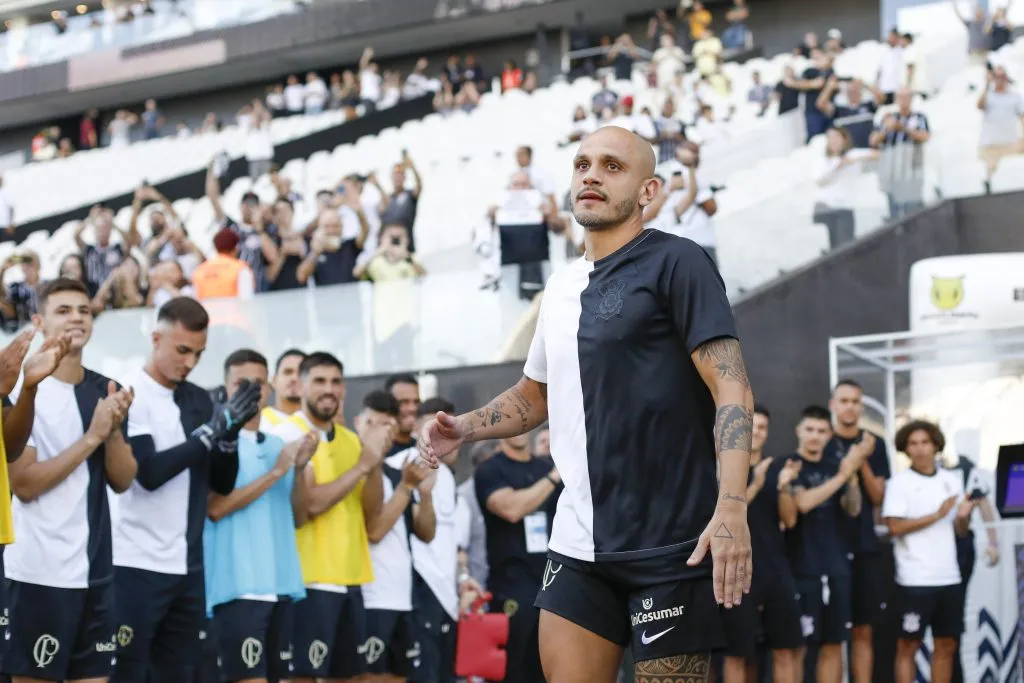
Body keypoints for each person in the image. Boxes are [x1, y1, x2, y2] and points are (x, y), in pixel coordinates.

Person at [419, 126, 755, 683]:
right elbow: (536, 396)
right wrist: (467, 427)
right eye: (581, 165)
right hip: (578, 545)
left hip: (673, 544)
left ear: (648, 192)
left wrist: (733, 505)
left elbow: (733, 387)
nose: (591, 175)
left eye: (611, 166)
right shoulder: (560, 288)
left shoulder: (679, 261)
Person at [112, 297, 262, 683]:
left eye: (198, 353)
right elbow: (148, 473)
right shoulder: (130, 393)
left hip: (188, 567)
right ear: (156, 337)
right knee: (127, 674)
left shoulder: (198, 398)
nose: (190, 362)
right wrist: (213, 431)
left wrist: (227, 438)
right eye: (182, 351)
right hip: (134, 564)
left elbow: (222, 483)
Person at [1, 279, 135, 683]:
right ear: (39, 321)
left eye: (84, 310)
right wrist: (92, 436)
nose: (76, 317)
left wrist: (110, 431)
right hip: (39, 572)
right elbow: (23, 484)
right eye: (63, 310)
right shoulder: (24, 391)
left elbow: (124, 479)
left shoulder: (103, 386)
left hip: (96, 572)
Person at [267, 352, 394, 683]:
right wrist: (364, 465)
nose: (329, 389)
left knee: (350, 677)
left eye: (336, 382)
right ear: (303, 385)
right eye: (320, 381)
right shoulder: (289, 433)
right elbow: (309, 505)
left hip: (351, 577)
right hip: (309, 579)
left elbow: (371, 512)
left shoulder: (353, 441)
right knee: (304, 678)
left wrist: (376, 460)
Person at [203, 349, 319, 683]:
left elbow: (299, 515)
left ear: (269, 389)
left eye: (258, 383)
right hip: (237, 589)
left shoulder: (279, 444)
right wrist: (276, 472)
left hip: (281, 586)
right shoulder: (216, 439)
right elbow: (215, 508)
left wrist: (296, 470)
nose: (251, 391)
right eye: (241, 383)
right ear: (226, 388)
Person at [884, 420, 976, 683]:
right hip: (915, 580)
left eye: (925, 442)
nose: (921, 449)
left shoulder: (951, 480)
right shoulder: (900, 483)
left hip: (949, 578)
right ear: (906, 448)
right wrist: (937, 514)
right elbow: (894, 526)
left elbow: (959, 530)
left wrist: (963, 517)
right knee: (907, 647)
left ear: (936, 445)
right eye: (914, 443)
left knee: (946, 646)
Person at [786, 405, 871, 683]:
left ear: (829, 434)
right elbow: (803, 503)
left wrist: (853, 476)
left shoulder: (837, 466)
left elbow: (853, 508)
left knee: (834, 644)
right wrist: (843, 475)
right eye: (810, 429)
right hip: (802, 569)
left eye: (822, 431)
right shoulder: (789, 466)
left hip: (836, 567)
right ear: (799, 430)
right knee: (798, 647)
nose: (815, 436)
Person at [720, 406, 804, 683]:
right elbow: (722, 519)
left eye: (761, 427)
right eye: (750, 426)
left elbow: (790, 520)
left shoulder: (777, 469)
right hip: (735, 573)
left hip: (774, 571)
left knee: (785, 650)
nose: (756, 432)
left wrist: (783, 486)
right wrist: (756, 483)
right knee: (736, 654)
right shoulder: (723, 471)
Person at [362, 391, 437, 681]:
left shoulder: (397, 473)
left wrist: (426, 495)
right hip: (371, 597)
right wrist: (407, 488)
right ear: (359, 422)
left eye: (388, 426)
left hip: (403, 598)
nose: (382, 433)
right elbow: (375, 531)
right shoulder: (358, 470)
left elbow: (426, 533)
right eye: (374, 424)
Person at [823, 380, 891, 683]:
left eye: (855, 401)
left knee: (864, 628)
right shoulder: (821, 442)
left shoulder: (875, 443)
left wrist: (860, 458)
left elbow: (878, 497)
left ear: (861, 406)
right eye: (844, 400)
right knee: (833, 633)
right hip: (828, 547)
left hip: (865, 546)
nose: (850, 406)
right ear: (833, 405)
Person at [402, 398, 473, 683]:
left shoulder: (447, 477)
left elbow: (454, 547)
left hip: (449, 598)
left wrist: (464, 578)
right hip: (418, 591)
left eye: (448, 428)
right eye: (433, 427)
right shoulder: (401, 464)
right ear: (415, 429)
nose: (442, 435)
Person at [263, 348, 306, 426]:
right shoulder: (259, 423)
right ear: (274, 381)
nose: (295, 378)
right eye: (288, 372)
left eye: (301, 372)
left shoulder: (322, 425)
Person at [386, 374, 421, 456]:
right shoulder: (377, 453)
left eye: (416, 402)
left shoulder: (424, 448)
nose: (413, 408)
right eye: (404, 402)